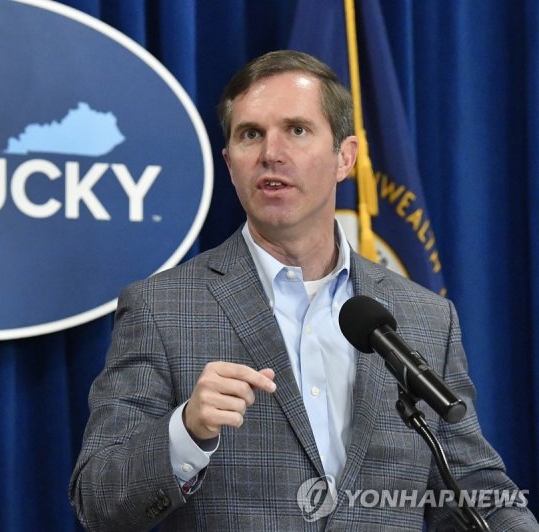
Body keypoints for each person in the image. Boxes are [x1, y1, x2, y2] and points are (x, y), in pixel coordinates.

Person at [69, 50, 538, 531]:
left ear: (345, 157)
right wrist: (186, 431)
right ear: (231, 164)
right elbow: (98, 501)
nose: (271, 152)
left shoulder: (425, 319)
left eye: (296, 129)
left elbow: (474, 488)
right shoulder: (162, 309)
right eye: (251, 134)